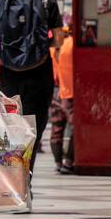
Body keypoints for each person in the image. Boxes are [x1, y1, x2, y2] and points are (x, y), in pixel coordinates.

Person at [0, 0, 64, 176]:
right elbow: (58, 40)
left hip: (8, 72)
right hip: (40, 72)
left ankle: (12, 178)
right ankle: (26, 176)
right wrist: (37, 46)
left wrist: (10, 47)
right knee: (34, 127)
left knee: (10, 125)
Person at [49, 27, 74, 174]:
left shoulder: (52, 47)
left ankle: (58, 162)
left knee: (56, 128)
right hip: (70, 91)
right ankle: (69, 162)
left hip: (55, 91)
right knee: (75, 129)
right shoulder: (71, 44)